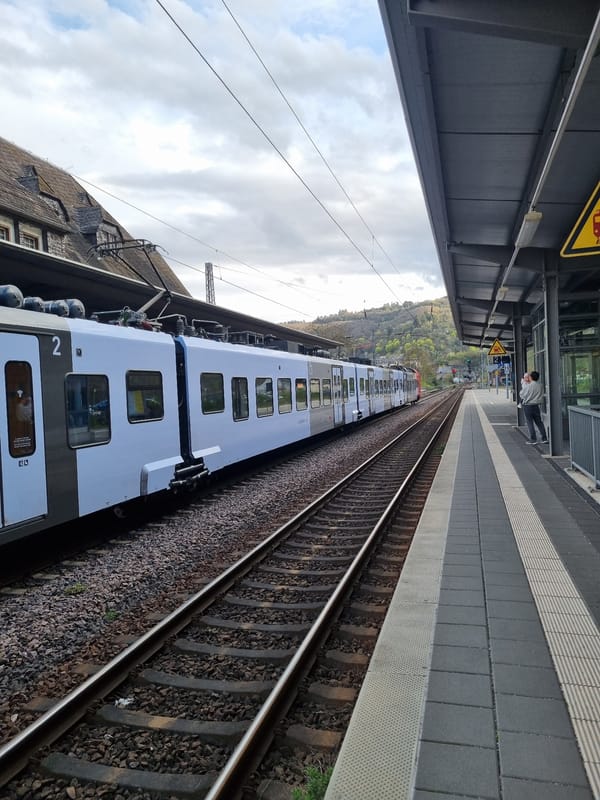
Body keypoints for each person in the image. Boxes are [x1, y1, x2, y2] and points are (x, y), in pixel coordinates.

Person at [519, 370, 548, 444]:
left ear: (531, 377)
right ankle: (544, 438)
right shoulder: (540, 385)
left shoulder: (528, 386)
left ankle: (533, 439)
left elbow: (522, 394)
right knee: (539, 422)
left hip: (528, 406)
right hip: (536, 406)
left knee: (530, 422)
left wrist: (523, 384)